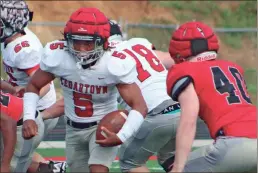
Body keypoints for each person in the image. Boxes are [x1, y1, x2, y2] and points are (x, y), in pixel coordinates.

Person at [22, 7, 148, 173]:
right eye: (76, 41)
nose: (81, 48)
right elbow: (34, 85)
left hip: (103, 126)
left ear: (102, 41)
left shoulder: (113, 63)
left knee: (98, 169)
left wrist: (121, 136)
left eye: (88, 42)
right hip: (73, 129)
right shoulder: (59, 56)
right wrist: (29, 117)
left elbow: (139, 105)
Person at [166, 21, 257, 172]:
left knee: (177, 168)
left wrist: (178, 168)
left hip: (234, 143)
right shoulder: (232, 68)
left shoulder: (185, 70)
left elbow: (188, 121)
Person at [0, 1, 66, 171]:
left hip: (35, 110)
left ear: (10, 23)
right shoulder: (10, 38)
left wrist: (24, 102)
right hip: (22, 103)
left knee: (12, 159)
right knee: (17, 153)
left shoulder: (23, 49)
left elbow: (42, 84)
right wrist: (11, 89)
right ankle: (50, 169)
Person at [107, 20, 180, 173]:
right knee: (170, 157)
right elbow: (174, 61)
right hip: (181, 110)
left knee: (130, 163)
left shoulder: (106, 57)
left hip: (156, 114)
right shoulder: (139, 43)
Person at [0, 80, 66, 172]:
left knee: (11, 168)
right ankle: (52, 169)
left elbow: (9, 125)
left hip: (21, 126)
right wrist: (12, 90)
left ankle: (51, 170)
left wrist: (5, 165)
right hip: (21, 118)